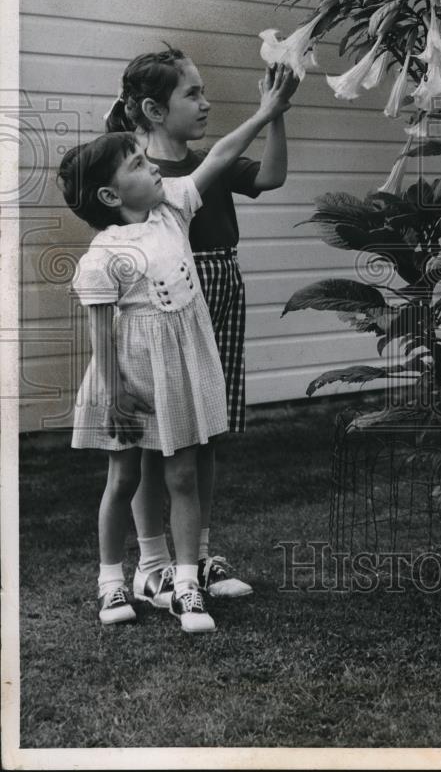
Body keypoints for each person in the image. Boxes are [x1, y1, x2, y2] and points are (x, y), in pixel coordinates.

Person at [59, 64, 297, 632]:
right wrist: (114, 397)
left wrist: (267, 113)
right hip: (130, 379)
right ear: (112, 193)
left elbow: (218, 160)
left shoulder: (173, 210)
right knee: (126, 477)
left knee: (186, 468)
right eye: (138, 164)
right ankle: (121, 578)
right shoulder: (104, 253)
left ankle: (187, 581)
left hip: (182, 361)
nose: (150, 166)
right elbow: (102, 335)